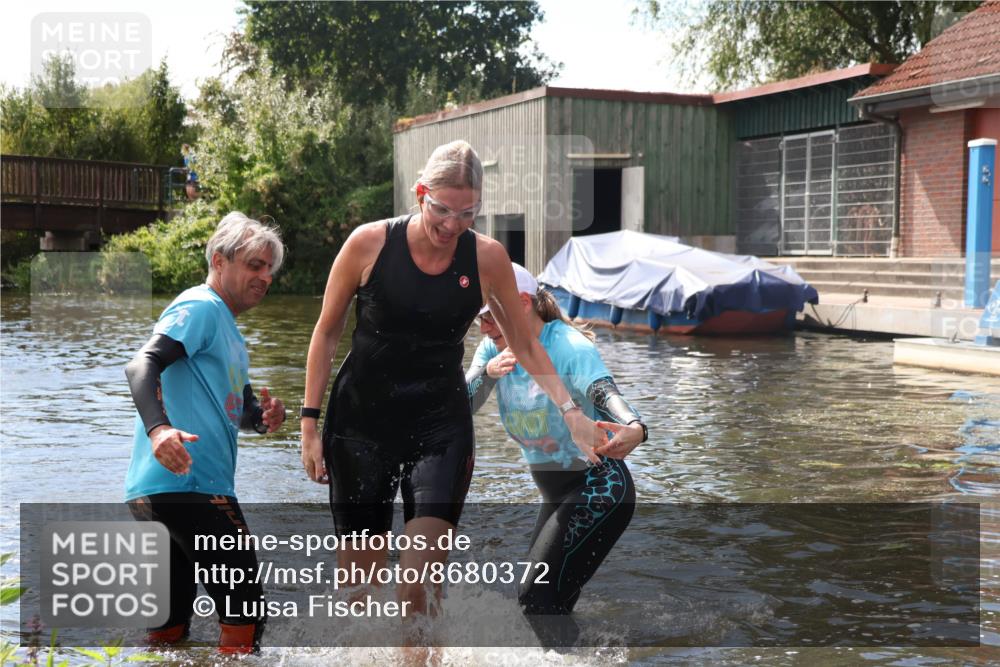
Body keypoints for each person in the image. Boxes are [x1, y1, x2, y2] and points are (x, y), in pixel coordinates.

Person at [300, 140, 609, 628]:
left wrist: (571, 412)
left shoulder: (487, 258)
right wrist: (309, 424)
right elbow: (327, 331)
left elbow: (526, 344)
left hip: (439, 427)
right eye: (442, 210)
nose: (452, 225)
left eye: (468, 214)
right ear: (420, 192)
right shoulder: (369, 243)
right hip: (361, 424)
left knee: (419, 585)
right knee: (359, 589)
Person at [124, 212, 286, 654]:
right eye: (254, 265)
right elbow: (141, 365)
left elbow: (237, 410)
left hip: (154, 493)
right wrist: (159, 431)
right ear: (219, 260)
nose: (264, 277)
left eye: (269, 269)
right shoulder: (201, 307)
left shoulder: (228, 329)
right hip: (194, 488)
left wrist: (263, 416)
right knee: (245, 616)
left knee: (168, 632)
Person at [465, 263, 646, 646]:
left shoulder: (567, 346)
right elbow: (458, 407)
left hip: (599, 488)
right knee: (547, 603)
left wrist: (636, 426)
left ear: (523, 303)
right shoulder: (492, 347)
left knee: (535, 598)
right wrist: (487, 374)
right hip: (557, 495)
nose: (482, 328)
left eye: (488, 316)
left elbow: (603, 391)